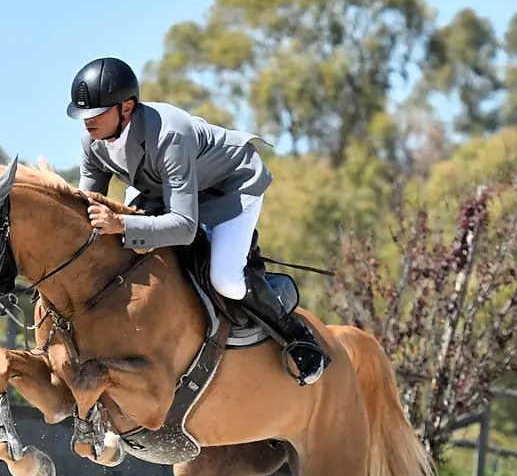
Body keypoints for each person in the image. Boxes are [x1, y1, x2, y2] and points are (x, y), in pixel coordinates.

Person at [66, 56, 329, 385]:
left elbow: (184, 227)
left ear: (127, 109)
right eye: (83, 115)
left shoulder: (169, 135)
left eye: (96, 113)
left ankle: (297, 335)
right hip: (164, 191)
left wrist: (122, 225)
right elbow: (87, 205)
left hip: (228, 187)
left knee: (225, 280)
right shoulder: (92, 140)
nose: (88, 122)